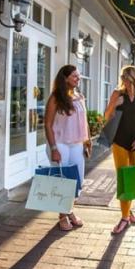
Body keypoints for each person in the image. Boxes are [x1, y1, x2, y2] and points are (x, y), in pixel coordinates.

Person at [104, 65, 135, 234]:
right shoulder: (118, 94)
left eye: (128, 79)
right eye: (123, 78)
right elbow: (106, 116)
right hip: (120, 141)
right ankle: (124, 218)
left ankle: (127, 210)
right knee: (123, 178)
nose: (125, 82)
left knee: (132, 178)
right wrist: (114, 104)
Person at [44, 64, 91, 231]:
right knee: (62, 182)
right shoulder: (56, 98)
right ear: (65, 79)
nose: (78, 79)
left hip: (77, 144)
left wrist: (87, 140)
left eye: (78, 76)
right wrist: (54, 148)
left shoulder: (79, 97)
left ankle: (69, 210)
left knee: (76, 181)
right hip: (61, 144)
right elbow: (48, 124)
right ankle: (62, 216)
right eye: (75, 76)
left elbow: (83, 121)